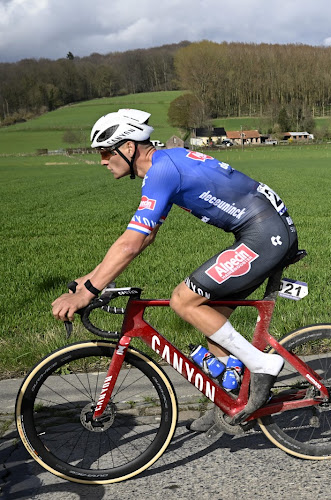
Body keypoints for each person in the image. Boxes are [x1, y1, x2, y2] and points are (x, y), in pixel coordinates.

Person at [51, 109, 298, 430]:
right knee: (212, 318)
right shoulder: (167, 162)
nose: (101, 160)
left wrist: (90, 290)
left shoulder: (163, 171)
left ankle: (263, 365)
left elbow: (132, 243)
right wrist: (89, 278)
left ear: (128, 148)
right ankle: (230, 403)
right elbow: (145, 235)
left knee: (184, 300)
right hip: (264, 229)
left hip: (265, 234)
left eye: (106, 151)